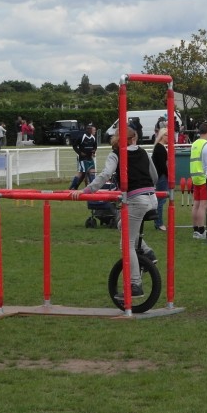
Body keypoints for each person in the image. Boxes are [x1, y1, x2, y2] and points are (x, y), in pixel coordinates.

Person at [71, 127, 157, 299]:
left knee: (126, 244)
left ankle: (135, 284)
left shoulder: (116, 154)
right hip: (152, 199)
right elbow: (154, 176)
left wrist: (86, 190)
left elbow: (105, 175)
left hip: (136, 200)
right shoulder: (143, 152)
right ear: (134, 138)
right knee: (120, 225)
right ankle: (147, 252)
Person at [188, 122, 207, 239]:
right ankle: (202, 231)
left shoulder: (194, 143)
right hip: (203, 176)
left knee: (196, 204)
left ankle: (195, 229)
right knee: (203, 205)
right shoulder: (206, 144)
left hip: (194, 176)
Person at [68, 123, 98, 190]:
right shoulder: (82, 136)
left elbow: (95, 146)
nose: (93, 131)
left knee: (91, 172)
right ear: (87, 129)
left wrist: (94, 151)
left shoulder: (93, 138)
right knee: (81, 173)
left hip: (90, 158)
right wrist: (80, 153)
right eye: (91, 129)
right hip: (83, 158)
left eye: (92, 129)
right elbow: (74, 145)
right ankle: (72, 188)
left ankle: (92, 189)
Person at [151, 127, 169, 231]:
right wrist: (168, 175)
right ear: (163, 136)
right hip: (161, 176)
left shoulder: (159, 147)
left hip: (160, 176)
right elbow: (162, 166)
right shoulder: (160, 148)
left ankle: (158, 222)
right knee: (160, 201)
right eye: (167, 135)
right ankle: (159, 223)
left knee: (160, 200)